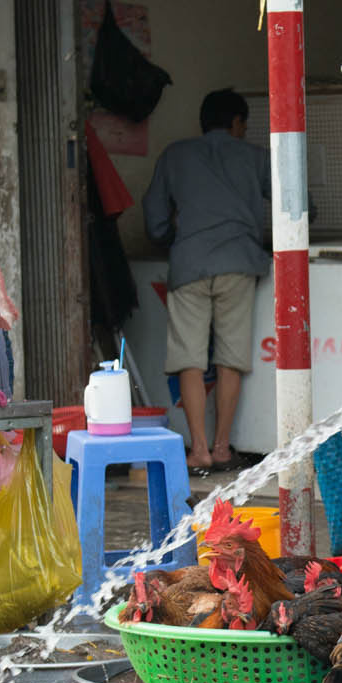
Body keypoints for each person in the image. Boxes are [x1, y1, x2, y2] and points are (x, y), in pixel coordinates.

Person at [142, 88, 270, 476]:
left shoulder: (175, 155)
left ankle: (196, 449)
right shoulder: (255, 157)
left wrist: (173, 238)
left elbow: (155, 219)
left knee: (189, 358)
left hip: (189, 265)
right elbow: (299, 206)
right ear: (236, 123)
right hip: (238, 263)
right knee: (231, 357)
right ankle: (220, 447)